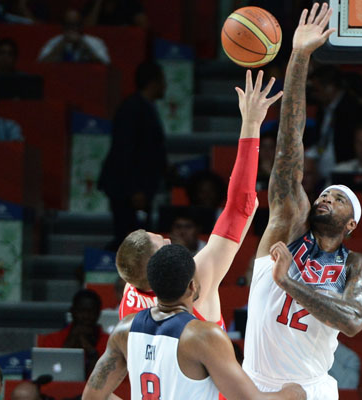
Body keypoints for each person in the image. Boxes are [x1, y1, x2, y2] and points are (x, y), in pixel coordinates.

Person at [243, 4, 362, 398]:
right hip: (255, 384)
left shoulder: (357, 265)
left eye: (337, 199)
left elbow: (353, 320)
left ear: (352, 224)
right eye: (323, 194)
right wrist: (299, 57)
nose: (325, 198)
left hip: (311, 389)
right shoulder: (288, 225)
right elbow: (289, 149)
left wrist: (290, 283)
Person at [116, 70, 281, 332]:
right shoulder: (196, 285)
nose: (169, 240)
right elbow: (240, 207)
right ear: (155, 269)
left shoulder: (130, 295)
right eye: (163, 245)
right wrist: (251, 124)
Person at [82, 245, 306, 400]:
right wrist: (293, 393)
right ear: (192, 286)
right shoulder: (203, 336)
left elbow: (92, 396)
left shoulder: (125, 328)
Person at [98, 61, 167, 250]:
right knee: (127, 239)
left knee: (138, 240)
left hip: (139, 187)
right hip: (126, 187)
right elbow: (124, 150)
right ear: (153, 83)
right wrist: (135, 189)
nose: (165, 86)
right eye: (162, 81)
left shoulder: (146, 107)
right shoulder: (132, 108)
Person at [305, 64, 362, 178]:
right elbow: (320, 141)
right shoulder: (322, 110)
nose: (314, 95)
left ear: (330, 87)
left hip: (348, 171)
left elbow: (360, 145)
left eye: (316, 90)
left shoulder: (355, 109)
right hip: (322, 173)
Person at [37, 289, 109, 377]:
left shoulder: (111, 343)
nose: (86, 316)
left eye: (91, 312)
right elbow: (46, 371)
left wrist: (91, 352)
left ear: (98, 314)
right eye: (81, 311)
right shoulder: (52, 339)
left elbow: (108, 378)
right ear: (72, 311)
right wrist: (70, 342)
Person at [37, 8, 110, 64]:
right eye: (68, 25)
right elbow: (41, 64)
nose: (72, 28)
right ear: (63, 26)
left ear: (81, 25)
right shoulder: (54, 42)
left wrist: (82, 43)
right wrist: (62, 44)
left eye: (75, 24)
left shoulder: (95, 42)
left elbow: (105, 65)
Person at [83, 0, 147, 28]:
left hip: (123, 45)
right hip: (96, 49)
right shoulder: (92, 5)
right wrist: (98, 3)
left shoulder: (130, 4)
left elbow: (144, 26)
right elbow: (87, 29)